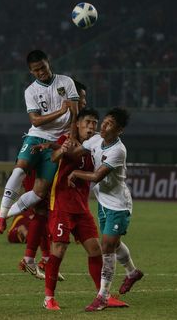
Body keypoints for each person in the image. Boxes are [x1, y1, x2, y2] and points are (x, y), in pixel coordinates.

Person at [31, 108, 128, 310]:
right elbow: (55, 157)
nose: (92, 126)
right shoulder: (67, 139)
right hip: (61, 205)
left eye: (95, 122)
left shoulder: (96, 144)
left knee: (95, 250)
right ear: (78, 124)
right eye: (88, 122)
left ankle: (103, 295)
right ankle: (49, 298)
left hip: (82, 207)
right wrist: (57, 148)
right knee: (59, 248)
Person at [0, 50, 80, 239]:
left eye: (43, 67)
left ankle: (2, 215)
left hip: (56, 142)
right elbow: (36, 121)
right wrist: (60, 111)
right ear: (31, 71)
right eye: (36, 70)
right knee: (20, 169)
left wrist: (72, 132)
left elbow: (74, 111)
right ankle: (1, 217)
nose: (41, 72)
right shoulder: (30, 91)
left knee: (39, 193)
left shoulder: (66, 82)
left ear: (49, 62)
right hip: (36, 136)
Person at [67, 107, 143, 312]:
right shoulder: (96, 140)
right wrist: (60, 145)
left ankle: (103, 296)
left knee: (107, 246)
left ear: (119, 130)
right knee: (114, 244)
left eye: (110, 124)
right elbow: (75, 152)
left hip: (118, 205)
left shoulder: (118, 150)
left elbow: (96, 177)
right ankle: (132, 272)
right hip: (103, 202)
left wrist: (75, 173)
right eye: (105, 121)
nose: (104, 125)